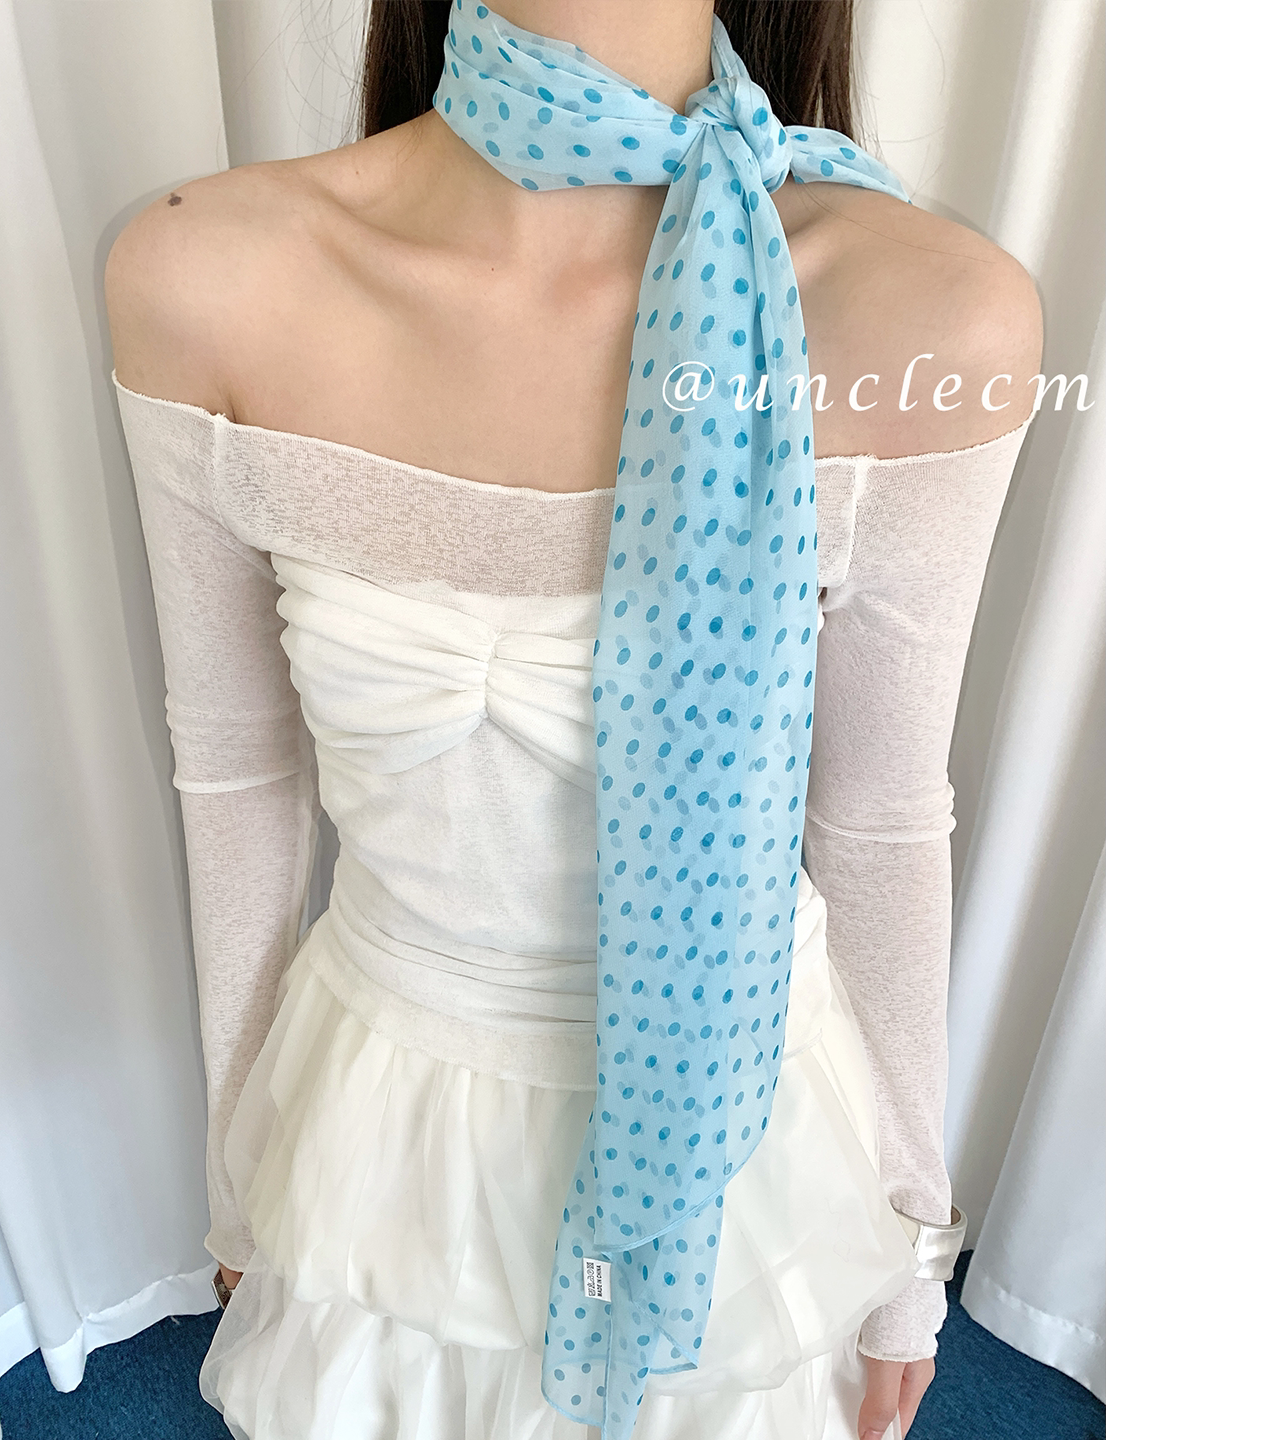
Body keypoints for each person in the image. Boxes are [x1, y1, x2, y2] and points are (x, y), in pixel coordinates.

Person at [105, 3, 1042, 1437]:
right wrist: (244, 1165)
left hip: (745, 1134)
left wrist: (910, 1250)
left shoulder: (929, 311)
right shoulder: (206, 275)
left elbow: (881, 818)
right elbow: (235, 773)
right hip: (386, 1118)